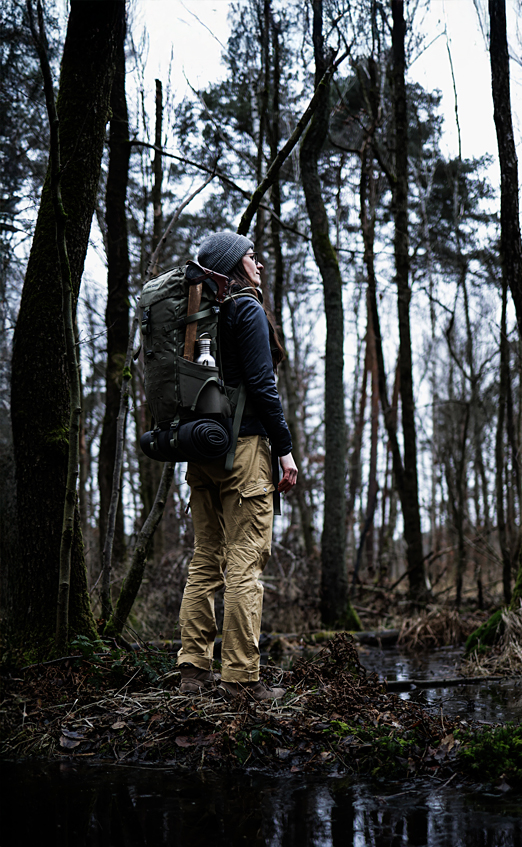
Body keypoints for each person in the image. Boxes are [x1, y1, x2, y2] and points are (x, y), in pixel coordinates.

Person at [177, 231, 297, 701]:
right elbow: (263, 387)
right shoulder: (245, 309)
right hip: (243, 452)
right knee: (245, 564)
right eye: (251, 256)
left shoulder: (200, 315)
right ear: (232, 265)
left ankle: (192, 673)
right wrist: (284, 449)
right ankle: (241, 680)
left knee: (205, 560)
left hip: (200, 450)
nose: (258, 263)